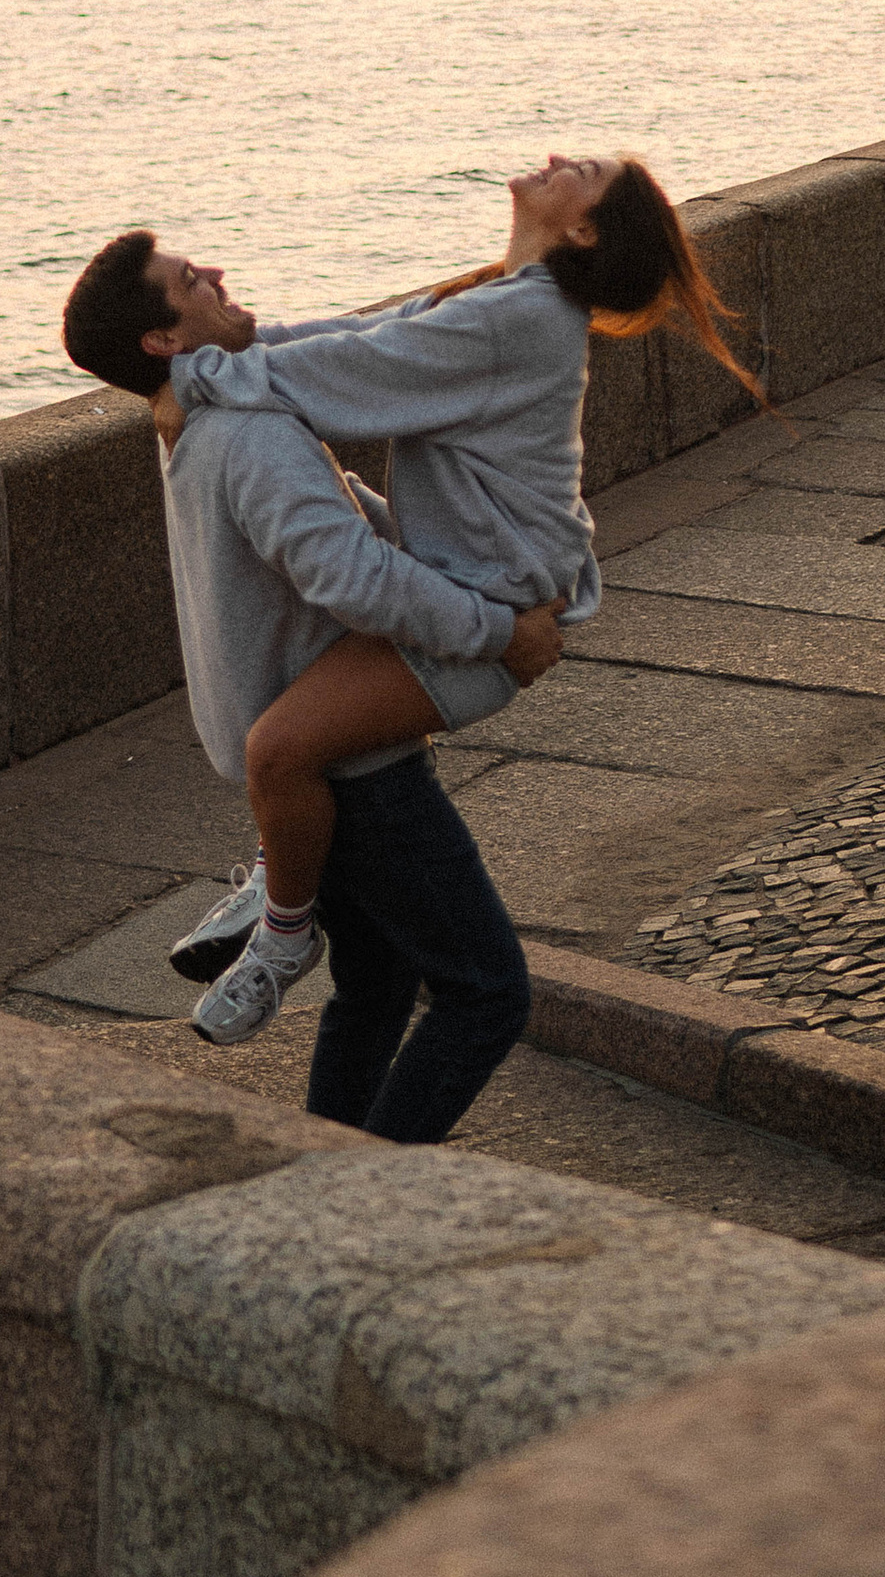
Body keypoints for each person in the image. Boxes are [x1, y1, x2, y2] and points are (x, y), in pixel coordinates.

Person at [146, 153, 761, 1042]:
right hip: (465, 586)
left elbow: (346, 378)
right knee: (371, 952)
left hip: (492, 613)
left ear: (582, 228)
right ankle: (283, 871)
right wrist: (220, 353)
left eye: (582, 171)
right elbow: (356, 340)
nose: (558, 158)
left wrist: (190, 378)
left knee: (280, 748)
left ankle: (283, 932)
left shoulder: (521, 316)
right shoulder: (494, 298)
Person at [61, 227, 565, 1140]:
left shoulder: (190, 413)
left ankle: (322, 1166)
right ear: (162, 341)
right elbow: (353, 579)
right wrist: (499, 630)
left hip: (297, 748)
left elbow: (341, 506)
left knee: (375, 984)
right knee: (487, 993)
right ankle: (367, 1191)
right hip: (354, 768)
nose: (213, 270)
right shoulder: (247, 432)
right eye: (188, 279)